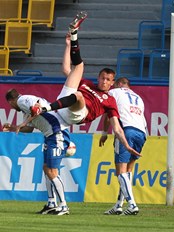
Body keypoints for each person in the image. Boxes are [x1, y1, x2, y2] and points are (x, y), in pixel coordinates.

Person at [32, 11, 140, 158]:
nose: (104, 81)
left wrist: (126, 145)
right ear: (98, 77)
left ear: (112, 83)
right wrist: (68, 45)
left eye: (108, 80)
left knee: (78, 94)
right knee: (79, 67)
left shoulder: (110, 100)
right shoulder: (86, 84)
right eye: (102, 78)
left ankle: (46, 108)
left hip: (77, 114)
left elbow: (117, 128)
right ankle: (74, 34)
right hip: (65, 102)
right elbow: (65, 69)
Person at [4, 89, 72, 215]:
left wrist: (22, 123)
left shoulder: (23, 100)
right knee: (46, 168)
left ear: (11, 101)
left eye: (10, 105)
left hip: (57, 132)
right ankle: (52, 203)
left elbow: (36, 109)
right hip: (50, 135)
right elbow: (29, 129)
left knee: (52, 171)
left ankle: (63, 205)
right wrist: (14, 127)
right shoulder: (25, 109)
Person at [99, 77, 147, 215]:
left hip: (126, 131)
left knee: (120, 170)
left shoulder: (114, 92)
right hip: (142, 133)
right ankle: (119, 205)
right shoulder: (138, 97)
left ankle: (132, 205)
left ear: (118, 84)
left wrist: (104, 132)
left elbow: (109, 114)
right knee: (129, 170)